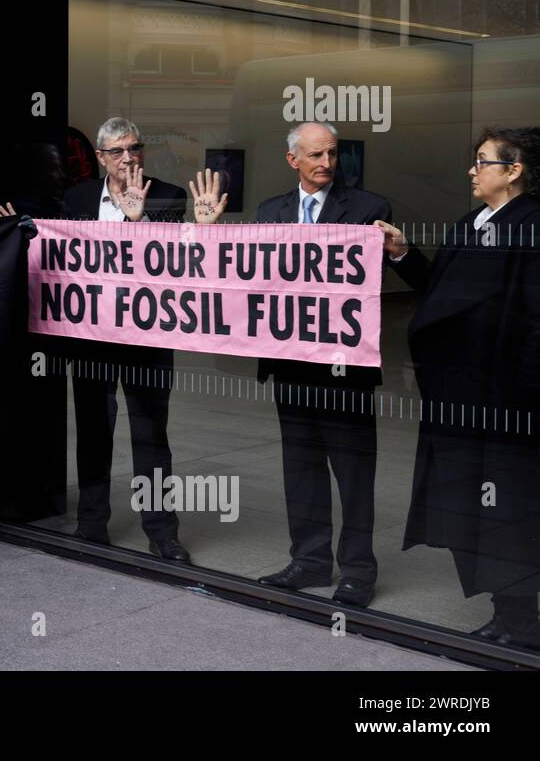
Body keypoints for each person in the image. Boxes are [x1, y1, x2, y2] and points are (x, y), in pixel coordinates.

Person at [194, 121, 395, 606]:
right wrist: (210, 235)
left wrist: (401, 250)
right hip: (290, 363)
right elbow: (244, 280)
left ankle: (358, 571)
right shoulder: (271, 212)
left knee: (353, 471)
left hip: (345, 366)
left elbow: (382, 273)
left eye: (332, 154)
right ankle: (308, 560)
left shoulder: (369, 209)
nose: (326, 163)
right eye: (315, 156)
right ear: (293, 161)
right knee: (300, 465)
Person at [379, 127, 540, 649]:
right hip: (461, 397)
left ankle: (518, 619)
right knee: (479, 504)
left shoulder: (532, 226)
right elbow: (440, 292)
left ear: (513, 171)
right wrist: (403, 254)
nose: (472, 170)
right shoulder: (473, 222)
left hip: (504, 401)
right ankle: (507, 611)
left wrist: (523, 399)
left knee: (508, 508)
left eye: (482, 161)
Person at [62, 117, 191, 562]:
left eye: (134, 148)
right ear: (100, 158)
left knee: (151, 434)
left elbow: (178, 264)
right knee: (94, 432)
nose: (128, 158)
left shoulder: (170, 196)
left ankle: (162, 533)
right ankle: (91, 524)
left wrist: (140, 219)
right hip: (92, 337)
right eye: (117, 151)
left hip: (148, 337)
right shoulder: (76, 198)